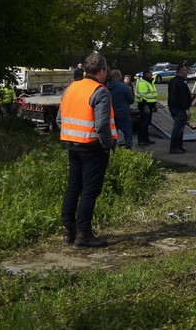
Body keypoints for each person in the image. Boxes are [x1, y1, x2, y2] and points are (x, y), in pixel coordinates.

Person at [58, 52, 117, 248]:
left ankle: (68, 231)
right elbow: (101, 126)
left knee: (73, 187)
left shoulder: (71, 89)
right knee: (90, 191)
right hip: (92, 147)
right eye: (105, 71)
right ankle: (83, 235)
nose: (106, 75)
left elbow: (59, 119)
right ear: (100, 71)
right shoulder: (100, 92)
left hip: (72, 145)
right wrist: (108, 145)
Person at [167, 62, 195, 154]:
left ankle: (178, 146)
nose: (187, 72)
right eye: (186, 70)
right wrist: (186, 109)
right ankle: (174, 147)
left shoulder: (173, 81)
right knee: (178, 128)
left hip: (173, 107)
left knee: (180, 128)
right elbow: (182, 97)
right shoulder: (180, 83)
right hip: (179, 108)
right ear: (181, 71)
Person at [105, 69, 135, 149]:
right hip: (123, 113)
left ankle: (112, 150)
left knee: (113, 133)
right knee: (127, 133)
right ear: (118, 77)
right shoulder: (123, 87)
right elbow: (131, 100)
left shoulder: (106, 87)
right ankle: (128, 150)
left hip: (111, 113)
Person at [134, 68, 158, 146]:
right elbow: (142, 95)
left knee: (147, 123)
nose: (151, 75)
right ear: (146, 74)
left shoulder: (149, 82)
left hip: (150, 105)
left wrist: (154, 104)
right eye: (150, 74)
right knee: (143, 123)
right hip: (144, 105)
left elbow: (152, 94)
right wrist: (145, 106)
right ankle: (141, 140)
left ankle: (146, 139)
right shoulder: (142, 83)